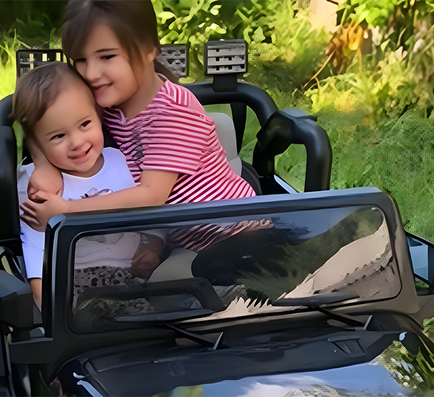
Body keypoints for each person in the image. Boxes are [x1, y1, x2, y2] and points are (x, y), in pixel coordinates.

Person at [19, 0, 256, 232]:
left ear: (148, 49)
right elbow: (41, 124)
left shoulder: (173, 111)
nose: (90, 73)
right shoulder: (108, 103)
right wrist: (42, 165)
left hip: (235, 231)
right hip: (183, 237)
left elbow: (151, 195)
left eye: (107, 56)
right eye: (80, 60)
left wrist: (68, 210)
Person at [12, 62, 164, 308]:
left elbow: (152, 217)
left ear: (99, 116)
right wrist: (42, 302)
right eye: (58, 136)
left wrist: (153, 247)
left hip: (132, 276)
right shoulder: (37, 185)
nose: (77, 142)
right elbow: (34, 244)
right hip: (70, 281)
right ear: (36, 143)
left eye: (85, 124)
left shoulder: (123, 161)